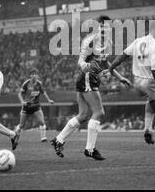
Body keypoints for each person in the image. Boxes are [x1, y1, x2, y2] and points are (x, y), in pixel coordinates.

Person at [51, 15, 131, 160]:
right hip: (87, 77)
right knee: (99, 112)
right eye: (101, 26)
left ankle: (58, 140)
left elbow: (105, 63)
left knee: (83, 115)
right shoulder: (90, 40)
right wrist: (84, 65)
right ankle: (90, 149)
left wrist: (120, 78)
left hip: (89, 79)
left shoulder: (108, 42)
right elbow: (80, 60)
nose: (103, 28)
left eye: (106, 26)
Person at [108, 20, 155, 161]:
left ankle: (147, 128)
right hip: (149, 81)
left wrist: (111, 67)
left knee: (151, 99)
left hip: (137, 82)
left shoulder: (138, 41)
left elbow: (124, 55)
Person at [13, 68, 55, 147]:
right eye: (32, 74)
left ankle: (43, 138)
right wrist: (22, 102)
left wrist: (49, 100)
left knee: (42, 122)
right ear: (30, 75)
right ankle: (14, 137)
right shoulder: (26, 83)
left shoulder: (39, 84)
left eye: (35, 74)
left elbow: (43, 92)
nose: (34, 75)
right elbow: (19, 94)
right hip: (27, 106)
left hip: (36, 106)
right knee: (21, 125)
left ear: (37, 75)